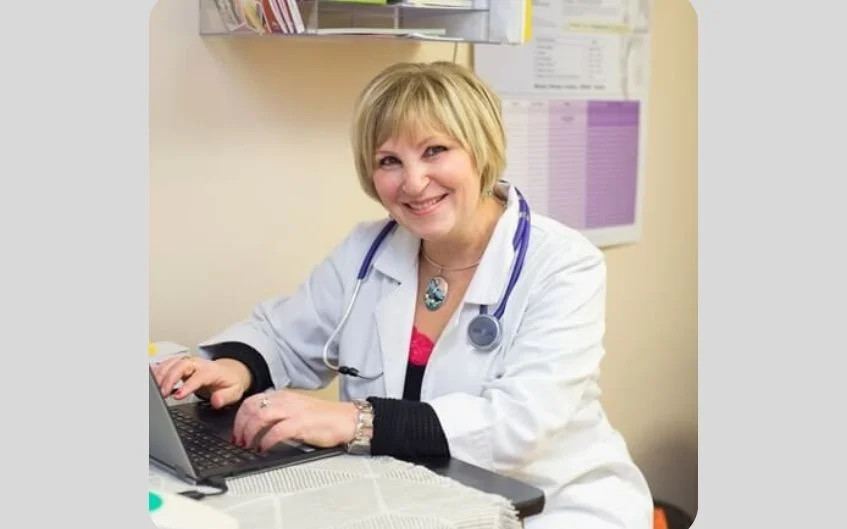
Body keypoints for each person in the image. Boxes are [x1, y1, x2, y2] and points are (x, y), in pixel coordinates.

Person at [151, 61, 653, 529]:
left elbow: (520, 423)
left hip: (549, 504)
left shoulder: (563, 263)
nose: (413, 182)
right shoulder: (367, 251)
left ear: (480, 148)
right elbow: (282, 336)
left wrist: (352, 421)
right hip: (410, 499)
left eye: (435, 150)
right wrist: (232, 368)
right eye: (389, 160)